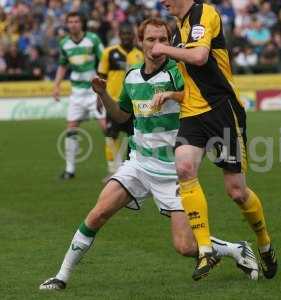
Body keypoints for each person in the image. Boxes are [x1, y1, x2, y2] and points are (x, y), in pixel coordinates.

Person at [39, 18, 259, 291]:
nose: (158, 45)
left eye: (164, 40)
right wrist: (104, 94)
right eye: (151, 40)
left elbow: (195, 96)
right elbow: (121, 115)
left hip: (174, 172)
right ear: (140, 43)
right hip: (139, 165)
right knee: (97, 215)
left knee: (185, 246)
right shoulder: (132, 76)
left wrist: (170, 95)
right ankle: (61, 277)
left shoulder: (178, 72)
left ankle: (237, 249)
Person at [154, 0, 278, 281]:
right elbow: (189, 80)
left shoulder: (204, 13)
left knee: (236, 191)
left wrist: (164, 50)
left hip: (222, 109)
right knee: (184, 169)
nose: (162, 2)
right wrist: (171, 94)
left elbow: (199, 57)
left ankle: (264, 242)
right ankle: (206, 249)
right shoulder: (177, 29)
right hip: (192, 112)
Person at [53, 12, 106, 180]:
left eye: (76, 21)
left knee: (107, 128)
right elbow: (62, 65)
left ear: (81, 23)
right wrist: (56, 85)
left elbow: (104, 60)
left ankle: (117, 166)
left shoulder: (93, 39)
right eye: (70, 22)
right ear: (67, 24)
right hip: (76, 92)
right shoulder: (64, 43)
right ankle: (70, 170)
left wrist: (104, 84)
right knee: (71, 129)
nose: (73, 24)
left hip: (93, 91)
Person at [97, 22, 144, 180]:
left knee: (134, 136)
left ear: (133, 35)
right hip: (114, 102)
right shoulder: (109, 53)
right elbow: (101, 77)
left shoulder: (141, 54)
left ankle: (129, 168)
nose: (126, 37)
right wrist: (99, 98)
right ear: (119, 35)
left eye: (128, 34)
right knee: (111, 135)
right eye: (123, 34)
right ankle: (112, 170)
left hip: (133, 103)